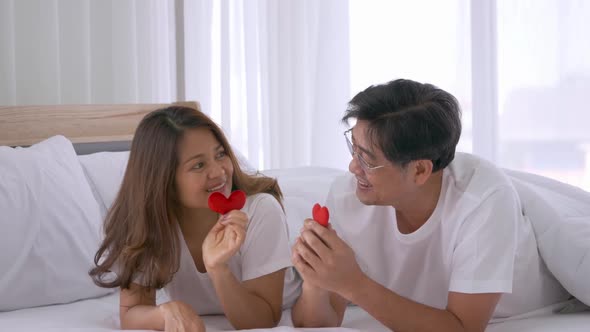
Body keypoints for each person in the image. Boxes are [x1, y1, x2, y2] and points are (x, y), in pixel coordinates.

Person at [290, 79, 571, 331]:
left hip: (534, 304)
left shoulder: (483, 202)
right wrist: (316, 279)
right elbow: (318, 323)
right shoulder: (346, 197)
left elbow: (464, 327)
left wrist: (354, 284)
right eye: (354, 148)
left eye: (367, 159)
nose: (353, 167)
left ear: (420, 171)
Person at [89, 105, 299, 331]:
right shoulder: (144, 223)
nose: (218, 172)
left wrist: (217, 268)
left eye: (220, 154)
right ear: (163, 180)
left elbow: (263, 321)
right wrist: (165, 312)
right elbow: (131, 312)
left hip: (299, 296)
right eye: (199, 165)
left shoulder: (260, 211)